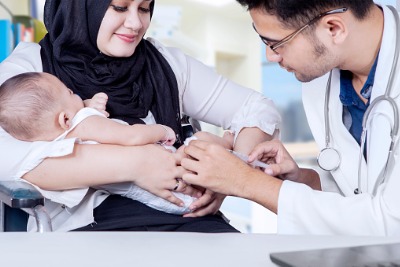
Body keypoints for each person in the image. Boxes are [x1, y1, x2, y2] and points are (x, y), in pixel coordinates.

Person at [0, 0, 281, 232]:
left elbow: (256, 108)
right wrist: (136, 164)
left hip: (191, 220)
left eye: (144, 8)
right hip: (94, 228)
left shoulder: (166, 64)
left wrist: (232, 173)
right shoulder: (32, 72)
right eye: (120, 8)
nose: (136, 23)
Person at [181, 0, 400, 236]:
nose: (270, 56)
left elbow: (391, 221)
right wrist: (304, 181)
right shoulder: (322, 76)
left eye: (276, 44)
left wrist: (245, 181)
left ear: (333, 29)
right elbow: (358, 198)